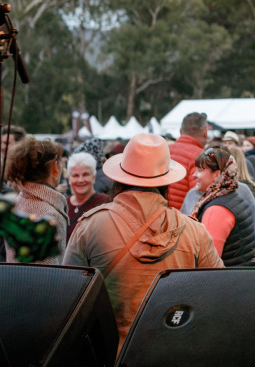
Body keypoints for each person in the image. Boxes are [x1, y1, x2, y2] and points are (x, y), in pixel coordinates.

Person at [64, 133, 222, 348]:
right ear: (165, 181)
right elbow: (216, 296)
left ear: (120, 178)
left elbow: (69, 297)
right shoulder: (194, 231)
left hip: (109, 352)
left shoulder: (90, 226)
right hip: (174, 350)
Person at [4, 139, 69, 264]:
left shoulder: (18, 201)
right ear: (55, 167)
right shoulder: (49, 215)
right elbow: (46, 274)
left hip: (12, 281)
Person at [190, 148, 255, 265]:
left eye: (200, 170)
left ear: (216, 175)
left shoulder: (216, 210)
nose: (195, 175)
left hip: (228, 280)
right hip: (242, 277)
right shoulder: (233, 197)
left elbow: (208, 263)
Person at [166, 112, 209, 208]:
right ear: (205, 132)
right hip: (183, 218)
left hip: (161, 215)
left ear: (181, 131)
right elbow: (197, 196)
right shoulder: (200, 156)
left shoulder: (164, 150)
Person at [66, 152, 110, 241]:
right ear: (69, 178)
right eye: (75, 175)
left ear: (94, 177)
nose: (80, 180)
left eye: (85, 174)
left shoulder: (106, 203)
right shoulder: (63, 204)